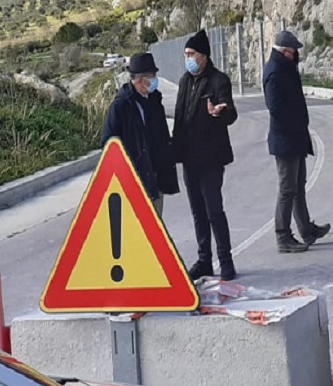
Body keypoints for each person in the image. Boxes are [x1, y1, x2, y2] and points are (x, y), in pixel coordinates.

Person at [172, 29, 240, 281]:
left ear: (203, 56)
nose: (188, 58)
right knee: (198, 212)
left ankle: (226, 261)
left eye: (191, 54)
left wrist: (219, 112)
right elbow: (179, 117)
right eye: (185, 54)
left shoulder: (218, 80)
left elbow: (230, 113)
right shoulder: (184, 81)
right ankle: (204, 261)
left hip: (211, 158)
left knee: (214, 210)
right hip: (189, 159)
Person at [262, 30, 331, 253]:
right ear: (285, 51)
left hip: (295, 138)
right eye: (293, 52)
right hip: (285, 140)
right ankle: (283, 236)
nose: (296, 56)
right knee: (287, 189)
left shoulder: (284, 68)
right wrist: (293, 124)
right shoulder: (275, 72)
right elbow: (275, 107)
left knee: (298, 187)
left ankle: (306, 230)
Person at [100, 52, 178, 217]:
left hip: (156, 180)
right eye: (152, 76)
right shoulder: (120, 107)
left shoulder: (155, 102)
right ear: (140, 79)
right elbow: (108, 145)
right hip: (134, 183)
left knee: (156, 229)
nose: (155, 79)